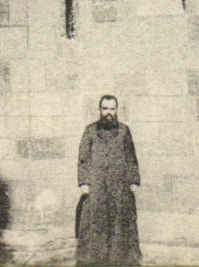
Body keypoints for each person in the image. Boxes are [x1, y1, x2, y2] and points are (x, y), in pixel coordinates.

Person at [76, 94, 141, 266]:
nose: (108, 113)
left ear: (117, 110)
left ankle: (118, 261)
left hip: (119, 187)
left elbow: (131, 157)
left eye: (112, 109)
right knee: (97, 226)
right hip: (97, 188)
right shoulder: (90, 131)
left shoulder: (124, 131)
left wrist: (133, 180)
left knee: (119, 224)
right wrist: (84, 182)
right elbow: (84, 159)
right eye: (105, 109)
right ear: (100, 110)